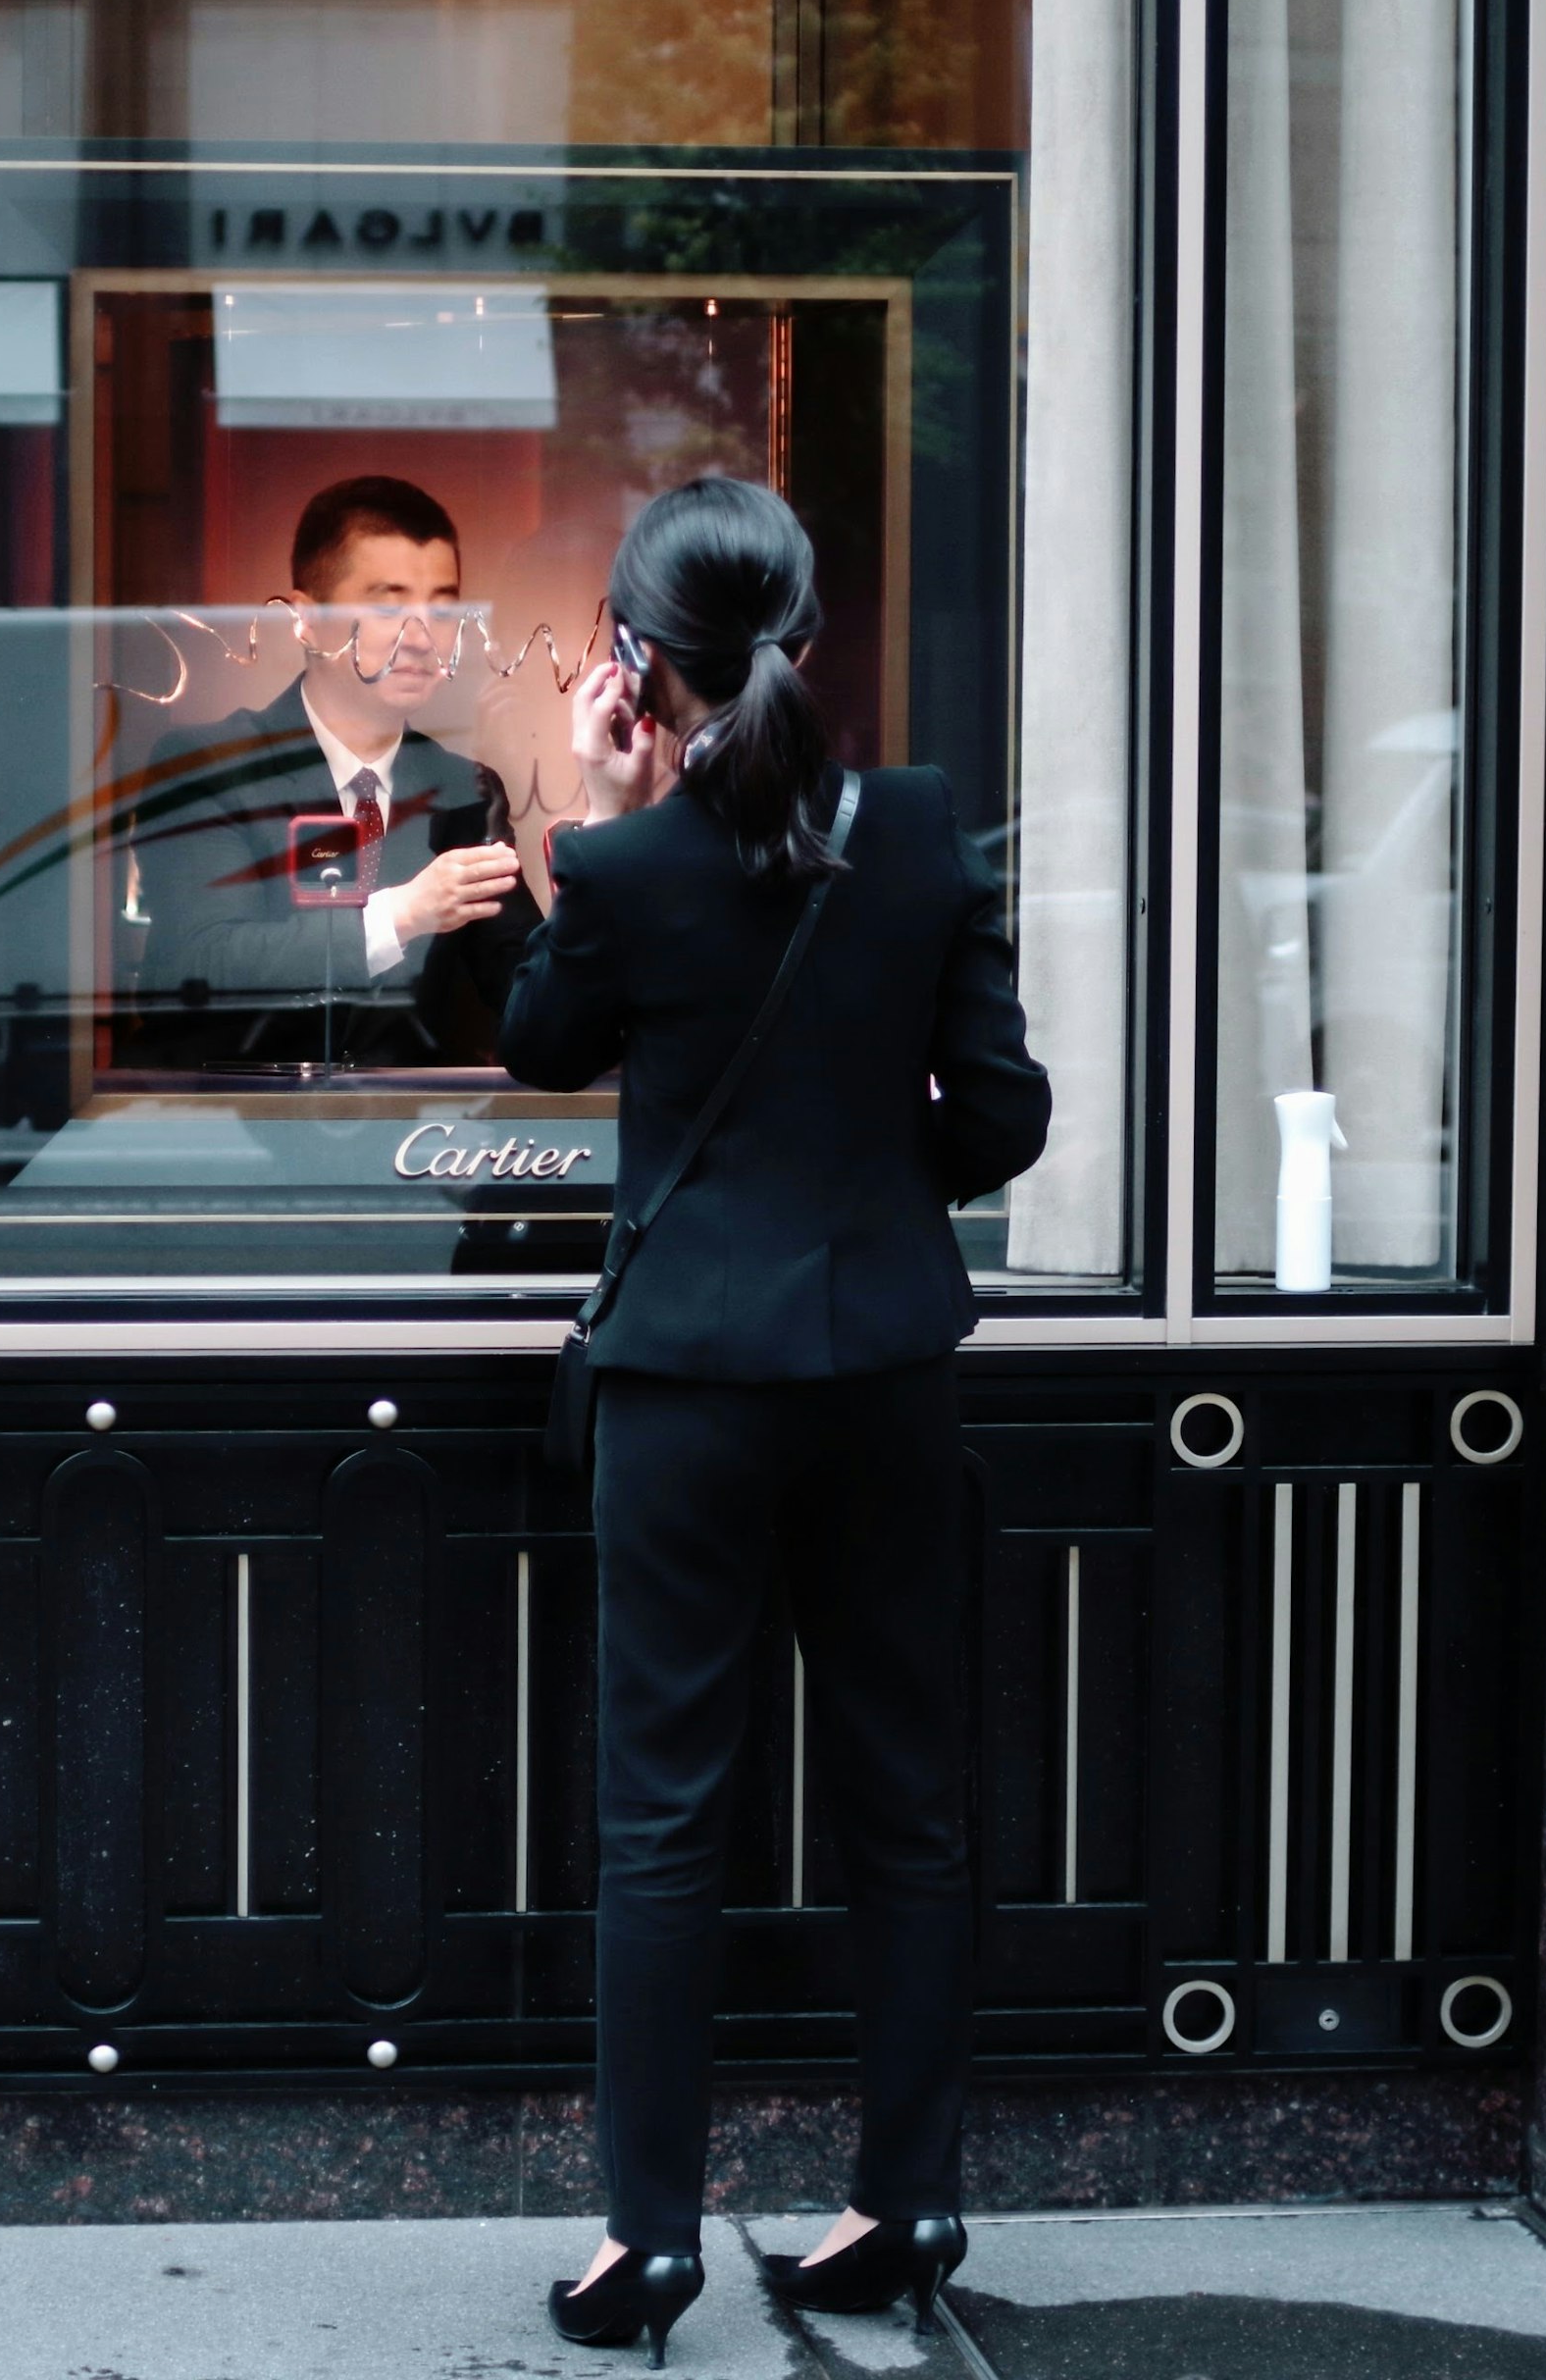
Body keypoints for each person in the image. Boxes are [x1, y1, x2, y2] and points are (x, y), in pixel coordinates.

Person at [501, 477, 1048, 2364]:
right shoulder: (918, 837)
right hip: (887, 1372)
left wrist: (595, 807)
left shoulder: (629, 861)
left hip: (688, 1395)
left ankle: (646, 2243)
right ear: (812, 639)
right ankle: (911, 2202)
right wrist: (865, 1170)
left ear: (638, 664)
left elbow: (544, 1050)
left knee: (663, 1827)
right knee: (910, 1812)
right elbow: (1003, 1119)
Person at [125, 477, 539, 1068]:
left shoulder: (465, 791)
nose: (422, 639)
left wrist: (605, 833)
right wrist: (403, 914)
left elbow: (528, 990)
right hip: (232, 1127)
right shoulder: (211, 767)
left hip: (406, 1145)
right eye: (388, 606)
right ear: (307, 620)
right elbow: (195, 964)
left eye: (444, 610)